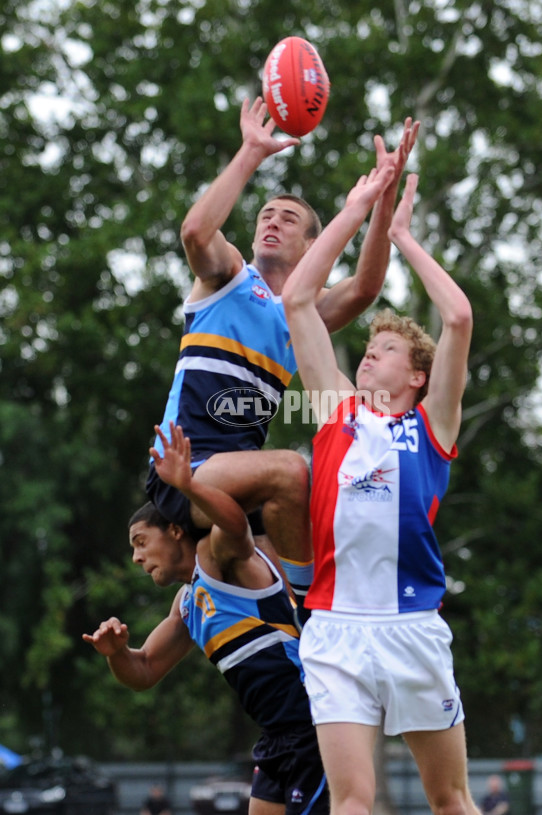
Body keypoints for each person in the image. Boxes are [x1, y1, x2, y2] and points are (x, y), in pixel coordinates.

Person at [146, 96, 419, 575]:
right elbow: (194, 232)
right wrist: (252, 150)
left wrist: (383, 198)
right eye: (265, 216)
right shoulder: (227, 276)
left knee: (335, 507)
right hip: (184, 466)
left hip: (241, 482)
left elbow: (365, 288)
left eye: (287, 218)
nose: (272, 221)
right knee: (293, 469)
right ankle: (310, 609)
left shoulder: (302, 312)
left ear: (312, 245)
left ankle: (292, 616)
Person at [281, 164, 478, 815]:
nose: (370, 354)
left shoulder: (432, 426)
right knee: (353, 800)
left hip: (413, 627)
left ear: (418, 376)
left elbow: (457, 315)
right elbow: (299, 300)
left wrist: (401, 235)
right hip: (336, 628)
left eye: (388, 348)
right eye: (369, 345)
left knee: (449, 797)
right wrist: (356, 207)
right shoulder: (336, 408)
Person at [83, 422, 329, 815]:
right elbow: (144, 670)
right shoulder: (186, 603)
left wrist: (189, 486)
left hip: (314, 726)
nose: (136, 558)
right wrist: (116, 653)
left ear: (176, 531)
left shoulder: (213, 560)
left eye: (141, 542)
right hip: (277, 737)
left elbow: (235, 526)